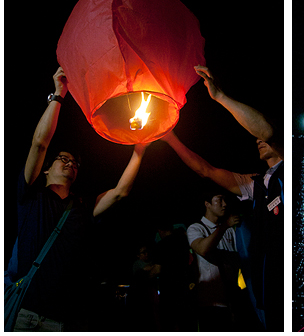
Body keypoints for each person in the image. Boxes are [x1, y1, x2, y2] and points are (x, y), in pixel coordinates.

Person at [6, 67, 150, 331]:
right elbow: (39, 143)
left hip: (62, 316)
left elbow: (120, 192)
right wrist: (59, 95)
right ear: (47, 169)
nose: (70, 163)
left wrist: (140, 151)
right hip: (25, 311)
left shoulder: (82, 206)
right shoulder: (31, 194)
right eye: (63, 159)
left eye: (74, 163)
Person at [161, 65, 283, 330]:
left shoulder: (290, 170)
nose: (257, 140)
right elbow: (205, 170)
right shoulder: (258, 183)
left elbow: (266, 131)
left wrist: (220, 97)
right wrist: (170, 138)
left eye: (262, 136)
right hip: (262, 284)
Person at [187, 189, 242, 331]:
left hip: (231, 301)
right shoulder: (195, 228)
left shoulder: (230, 230)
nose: (224, 205)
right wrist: (225, 226)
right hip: (209, 304)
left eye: (225, 201)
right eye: (219, 200)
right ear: (207, 204)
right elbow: (202, 249)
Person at [154, 222, 191, 331]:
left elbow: (157, 269)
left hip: (168, 290)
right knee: (185, 322)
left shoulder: (161, 245)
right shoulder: (184, 242)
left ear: (160, 231)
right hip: (184, 288)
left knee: (168, 323)